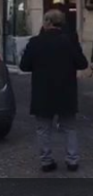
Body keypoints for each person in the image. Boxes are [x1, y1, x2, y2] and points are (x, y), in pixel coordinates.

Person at [20, 9, 89, 172]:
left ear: (47, 22)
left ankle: (46, 161)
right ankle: (72, 160)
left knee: (43, 128)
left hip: (42, 90)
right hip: (66, 89)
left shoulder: (35, 42)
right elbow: (82, 63)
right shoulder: (69, 41)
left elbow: (24, 66)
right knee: (69, 127)